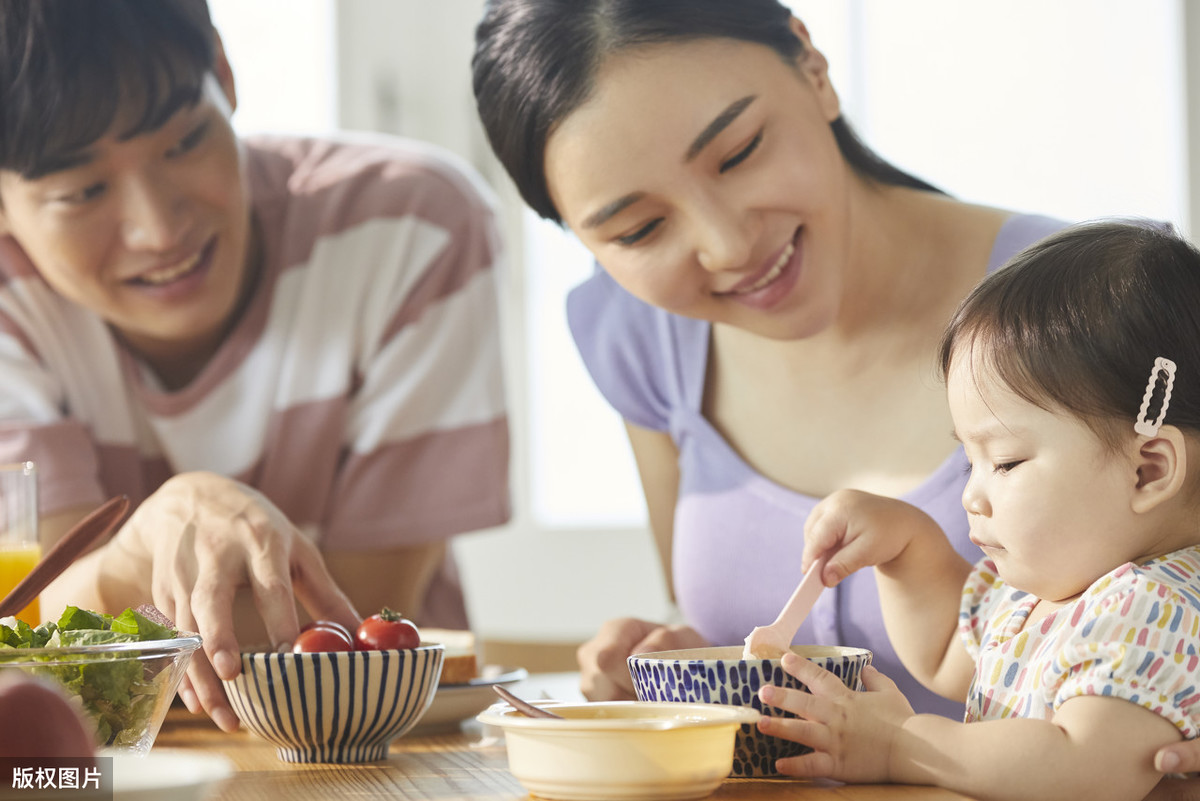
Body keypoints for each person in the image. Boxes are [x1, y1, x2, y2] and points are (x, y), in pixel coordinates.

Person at [471, 0, 1200, 781]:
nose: (726, 246)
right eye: (638, 229)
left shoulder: (1103, 313)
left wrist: (899, 742)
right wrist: (681, 660)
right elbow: (958, 642)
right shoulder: (637, 333)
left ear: (813, 68)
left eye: (739, 150)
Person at [0, 1, 510, 733]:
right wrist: (143, 542)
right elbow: (44, 646)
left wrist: (113, 579)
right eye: (83, 191)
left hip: (373, 752)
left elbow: (343, 620)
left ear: (225, 73)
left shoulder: (411, 228)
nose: (159, 227)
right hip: (118, 762)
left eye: (183, 143)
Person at [755, 221, 1199, 799]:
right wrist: (905, 547)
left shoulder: (1153, 609)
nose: (972, 495)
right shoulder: (1053, 595)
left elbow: (1083, 767)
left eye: (1007, 462)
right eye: (971, 462)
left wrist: (900, 743)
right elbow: (946, 653)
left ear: (1149, 470)